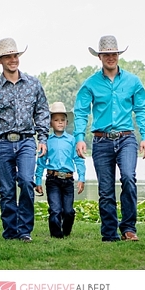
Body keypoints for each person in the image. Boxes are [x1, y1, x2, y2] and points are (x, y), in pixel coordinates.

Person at [74, 35, 145, 242]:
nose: (111, 57)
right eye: (106, 54)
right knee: (106, 188)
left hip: (126, 138)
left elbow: (142, 109)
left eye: (114, 53)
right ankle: (109, 232)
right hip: (101, 140)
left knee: (128, 178)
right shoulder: (90, 84)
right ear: (99, 56)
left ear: (118, 55)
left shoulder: (133, 81)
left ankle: (129, 228)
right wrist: (79, 138)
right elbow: (81, 112)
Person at [0, 38, 49, 242]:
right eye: (8, 57)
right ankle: (10, 231)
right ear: (0, 60)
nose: (13, 59)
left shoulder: (33, 84)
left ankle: (24, 230)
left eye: (15, 55)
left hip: (27, 141)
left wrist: (43, 138)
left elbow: (42, 111)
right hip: (2, 143)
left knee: (26, 181)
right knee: (7, 189)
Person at [34, 102, 86, 238]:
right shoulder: (46, 141)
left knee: (68, 211)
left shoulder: (72, 140)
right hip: (53, 179)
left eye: (62, 120)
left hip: (68, 179)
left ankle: (66, 231)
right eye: (56, 120)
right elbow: (41, 162)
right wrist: (38, 180)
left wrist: (81, 177)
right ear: (50, 123)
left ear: (67, 122)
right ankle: (56, 235)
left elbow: (79, 160)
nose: (60, 122)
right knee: (55, 209)